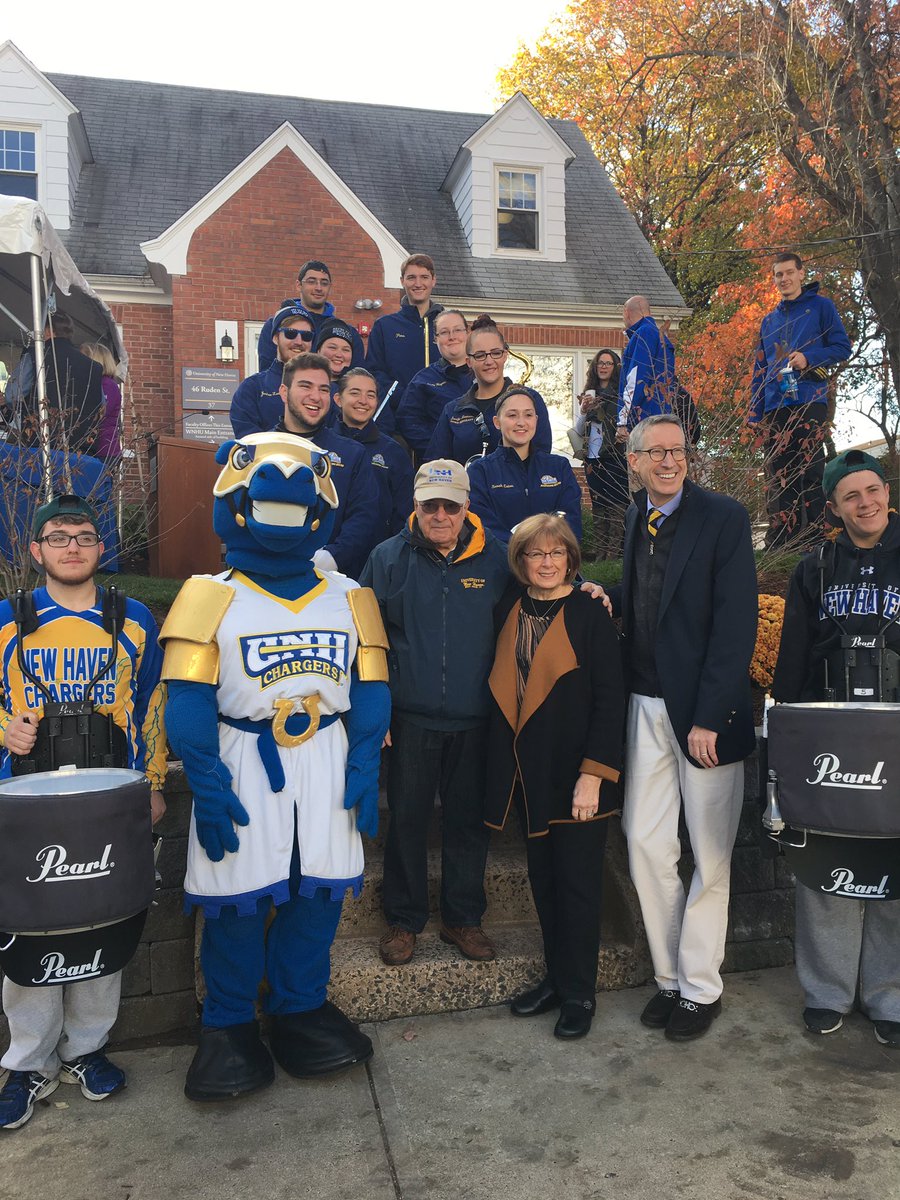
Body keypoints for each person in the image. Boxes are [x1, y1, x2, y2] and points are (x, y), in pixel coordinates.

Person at [163, 433, 390, 1100]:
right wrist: (203, 778)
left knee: (318, 893)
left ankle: (301, 1008)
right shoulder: (209, 595)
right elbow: (188, 698)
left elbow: (373, 687)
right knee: (235, 899)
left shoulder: (349, 595)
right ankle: (228, 1026)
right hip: (242, 756)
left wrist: (366, 764)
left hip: (326, 755)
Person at [0, 494, 166, 1130]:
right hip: (26, 802)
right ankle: (27, 1062)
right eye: (59, 537)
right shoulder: (11, 621)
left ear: (102, 550)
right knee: (30, 928)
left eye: (85, 537)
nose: (73, 547)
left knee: (102, 922)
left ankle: (88, 1050)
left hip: (110, 800)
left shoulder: (134, 621)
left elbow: (153, 702)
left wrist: (153, 783)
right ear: (37, 550)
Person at [605, 414, 757, 1041]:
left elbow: (735, 622)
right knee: (645, 843)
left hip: (701, 716)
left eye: (678, 450)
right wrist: (601, 594)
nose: (669, 460)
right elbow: (647, 602)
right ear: (634, 460)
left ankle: (701, 988)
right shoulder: (639, 517)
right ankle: (670, 979)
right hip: (644, 705)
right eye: (656, 452)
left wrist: (711, 717)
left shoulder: (722, 517)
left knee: (710, 853)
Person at [771, 448, 900, 1047]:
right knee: (826, 868)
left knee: (895, 870)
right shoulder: (815, 567)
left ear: (886, 493)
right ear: (835, 507)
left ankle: (889, 996)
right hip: (830, 735)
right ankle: (826, 992)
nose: (865, 502)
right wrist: (784, 734)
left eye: (872, 490)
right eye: (852, 495)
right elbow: (793, 656)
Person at [360, 460, 510, 966]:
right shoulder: (385, 558)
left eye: (450, 505)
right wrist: (373, 708)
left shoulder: (498, 558)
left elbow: (534, 610)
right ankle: (404, 922)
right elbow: (366, 640)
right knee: (406, 820)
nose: (440, 515)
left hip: (476, 717)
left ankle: (462, 918)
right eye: (431, 506)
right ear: (416, 506)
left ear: (467, 507)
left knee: (468, 822)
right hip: (410, 717)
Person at [484, 515, 624, 1039]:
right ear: (521, 562)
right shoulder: (509, 607)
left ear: (571, 558)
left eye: (555, 553)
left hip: (577, 774)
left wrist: (595, 775)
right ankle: (556, 979)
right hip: (528, 773)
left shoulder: (591, 611)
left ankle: (580, 994)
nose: (546, 563)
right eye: (534, 554)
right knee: (544, 883)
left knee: (579, 887)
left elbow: (612, 699)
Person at [749, 252, 851, 548]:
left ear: (801, 273)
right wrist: (755, 412)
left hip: (809, 399)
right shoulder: (769, 321)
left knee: (810, 468)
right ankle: (781, 542)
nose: (784, 279)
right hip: (775, 404)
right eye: (778, 275)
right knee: (780, 472)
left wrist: (809, 357)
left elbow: (841, 347)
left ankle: (814, 538)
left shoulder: (821, 307)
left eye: (788, 273)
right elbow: (761, 367)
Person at [276, 353, 381, 579]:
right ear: (284, 392)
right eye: (306, 386)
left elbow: (364, 516)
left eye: (323, 389)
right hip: (268, 577)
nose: (316, 396)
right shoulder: (261, 448)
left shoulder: (352, 453)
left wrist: (333, 556)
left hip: (333, 582)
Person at [426, 315, 552, 466]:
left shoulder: (530, 399)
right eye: (480, 355)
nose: (489, 361)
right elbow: (436, 464)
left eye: (496, 353)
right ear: (469, 362)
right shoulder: (452, 411)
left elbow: (542, 455)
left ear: (505, 355)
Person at [467, 387, 582, 545]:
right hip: (501, 565)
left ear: (536, 419)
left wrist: (543, 553)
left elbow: (571, 522)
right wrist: (521, 552)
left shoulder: (559, 467)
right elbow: (482, 526)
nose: (521, 422)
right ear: (497, 422)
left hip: (551, 563)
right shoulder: (480, 472)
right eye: (512, 415)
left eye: (528, 415)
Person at [364, 253, 443, 431]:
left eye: (424, 277)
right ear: (402, 281)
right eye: (411, 278)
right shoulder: (385, 326)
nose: (418, 283)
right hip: (397, 422)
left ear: (433, 281)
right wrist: (406, 396)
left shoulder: (448, 326)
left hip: (440, 421)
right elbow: (374, 372)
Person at [334, 368, 415, 541]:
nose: (363, 401)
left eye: (370, 395)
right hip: (326, 554)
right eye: (355, 393)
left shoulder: (393, 452)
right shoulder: (322, 446)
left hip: (376, 554)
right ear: (338, 399)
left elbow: (404, 513)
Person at [256, 260, 365, 373]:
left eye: (324, 283)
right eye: (311, 281)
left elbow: (356, 377)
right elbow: (267, 372)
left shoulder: (347, 332)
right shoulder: (276, 325)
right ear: (299, 285)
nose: (318, 288)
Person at [397, 310, 473, 464]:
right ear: (435, 339)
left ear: (468, 333)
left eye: (458, 330)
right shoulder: (422, 380)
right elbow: (408, 422)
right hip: (441, 469)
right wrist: (440, 452)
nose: (452, 337)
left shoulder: (486, 374)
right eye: (444, 332)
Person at [23, 311, 104, 456]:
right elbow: (101, 404)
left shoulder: (34, 356)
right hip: (82, 447)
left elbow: (13, 395)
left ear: (48, 331)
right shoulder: (94, 367)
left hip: (40, 443)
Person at [575, 349, 629, 560]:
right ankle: (599, 555)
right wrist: (583, 410)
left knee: (616, 507)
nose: (604, 367)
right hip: (592, 459)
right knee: (599, 506)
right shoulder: (589, 394)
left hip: (615, 456)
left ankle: (613, 556)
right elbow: (579, 430)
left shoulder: (621, 395)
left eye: (608, 363)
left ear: (615, 367)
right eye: (600, 363)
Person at [231, 305, 316, 437]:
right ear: (275, 338)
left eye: (306, 336)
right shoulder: (252, 388)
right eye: (290, 333)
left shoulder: (325, 389)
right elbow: (248, 441)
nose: (299, 341)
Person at [616, 297, 677, 438]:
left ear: (626, 312)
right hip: (660, 414)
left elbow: (636, 377)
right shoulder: (658, 336)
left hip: (643, 419)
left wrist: (623, 421)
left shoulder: (644, 334)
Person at [80, 343, 122, 462]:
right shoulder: (98, 383)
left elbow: (100, 413)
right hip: (96, 447)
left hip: (104, 449)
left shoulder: (107, 384)